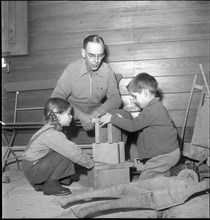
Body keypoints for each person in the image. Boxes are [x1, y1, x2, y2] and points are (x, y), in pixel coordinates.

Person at [51, 34, 132, 144]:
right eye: (92, 55)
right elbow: (56, 98)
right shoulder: (71, 69)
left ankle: (107, 156)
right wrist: (79, 115)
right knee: (54, 114)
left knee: (125, 115)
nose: (96, 60)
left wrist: (97, 113)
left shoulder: (107, 71)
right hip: (71, 110)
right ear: (83, 53)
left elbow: (115, 98)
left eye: (100, 55)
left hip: (96, 110)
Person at [100, 73, 181, 180]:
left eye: (134, 96)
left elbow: (133, 126)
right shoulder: (153, 108)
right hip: (166, 153)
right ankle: (165, 181)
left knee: (144, 178)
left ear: (144, 93)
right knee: (155, 173)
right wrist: (121, 119)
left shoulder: (153, 111)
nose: (133, 100)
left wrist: (112, 119)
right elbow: (138, 122)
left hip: (166, 155)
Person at [22, 97, 94, 196]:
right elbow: (73, 152)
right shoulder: (52, 134)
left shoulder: (47, 129)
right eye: (69, 114)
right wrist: (91, 164)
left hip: (31, 168)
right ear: (58, 116)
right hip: (34, 171)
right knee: (67, 154)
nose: (72, 117)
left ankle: (41, 183)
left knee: (61, 151)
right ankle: (51, 185)